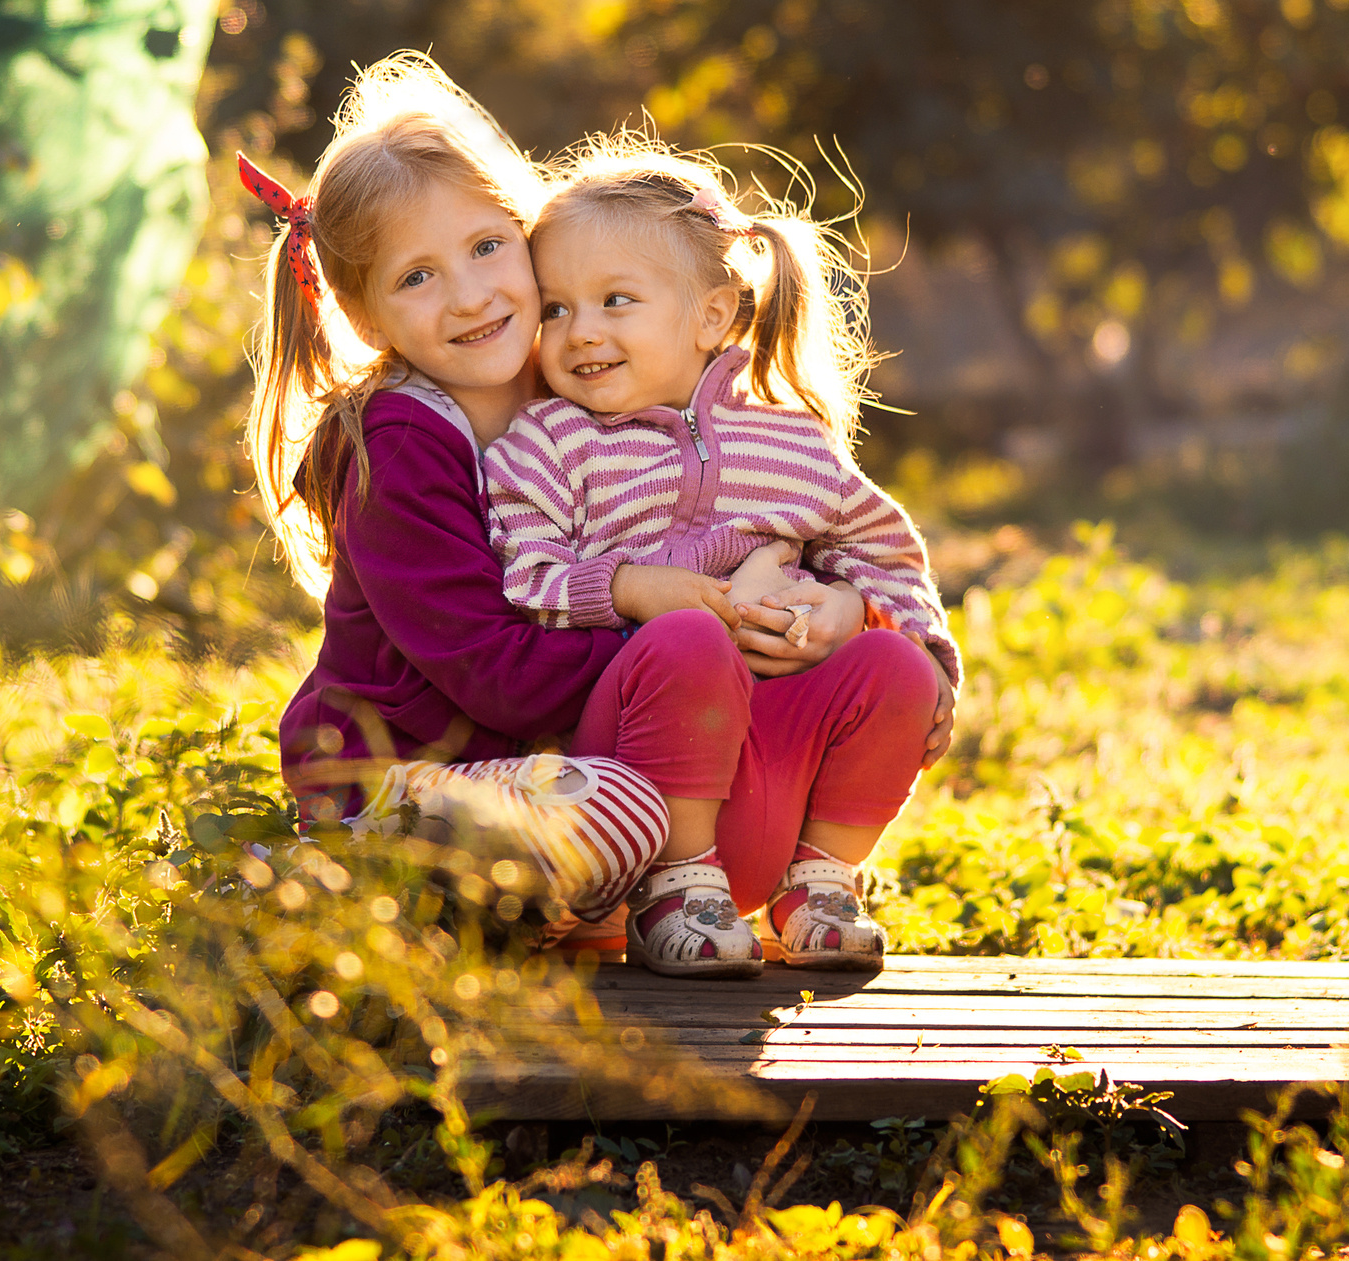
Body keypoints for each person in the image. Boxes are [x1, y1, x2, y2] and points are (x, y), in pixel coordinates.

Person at [242, 54, 885, 937]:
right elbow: (495, 675)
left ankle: (694, 889)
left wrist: (811, 594)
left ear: (528, 236)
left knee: (705, 781)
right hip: (399, 778)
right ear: (362, 316)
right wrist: (676, 635)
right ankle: (348, 883)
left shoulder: (580, 392)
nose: (470, 295)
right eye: (415, 276)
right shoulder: (394, 445)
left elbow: (707, 527)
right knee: (624, 808)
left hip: (539, 763)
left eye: (485, 246)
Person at [482, 140, 957, 978]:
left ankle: (820, 880)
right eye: (555, 309)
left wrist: (861, 614)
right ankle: (675, 888)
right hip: (637, 784)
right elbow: (523, 577)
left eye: (614, 300)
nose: (580, 331)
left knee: (897, 665)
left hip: (771, 766)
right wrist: (634, 589)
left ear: (711, 317)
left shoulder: (792, 439)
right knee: (690, 636)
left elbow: (883, 551)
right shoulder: (545, 443)